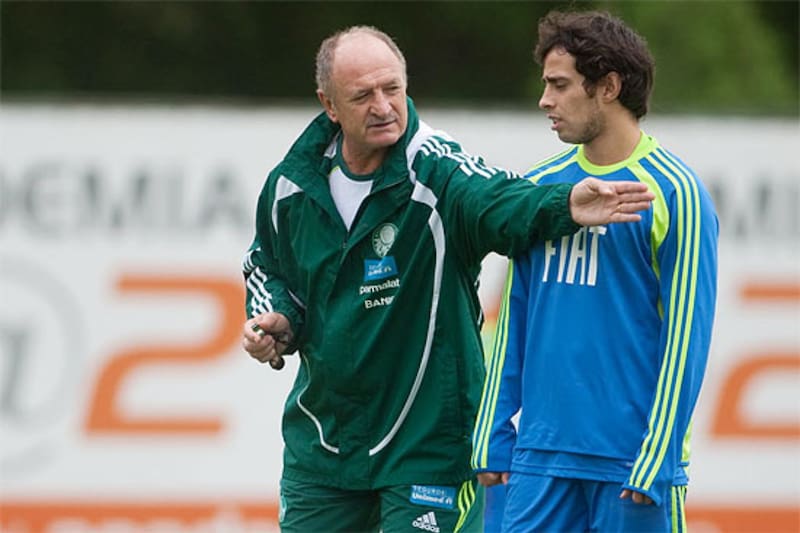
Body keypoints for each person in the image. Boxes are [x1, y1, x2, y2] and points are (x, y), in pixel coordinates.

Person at [241, 25, 654, 533]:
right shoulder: (291, 185)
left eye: (392, 88)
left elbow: (497, 201)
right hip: (323, 450)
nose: (383, 106)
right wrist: (278, 318)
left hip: (427, 447)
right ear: (329, 105)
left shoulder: (435, 165)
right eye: (363, 95)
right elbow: (266, 264)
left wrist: (563, 204)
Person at [471, 9, 719, 533]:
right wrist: (492, 433)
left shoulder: (677, 193)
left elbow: (685, 340)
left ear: (608, 86)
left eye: (560, 85)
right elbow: (514, 319)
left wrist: (658, 454)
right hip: (537, 460)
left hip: (629, 463)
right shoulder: (541, 190)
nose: (545, 100)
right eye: (545, 85)